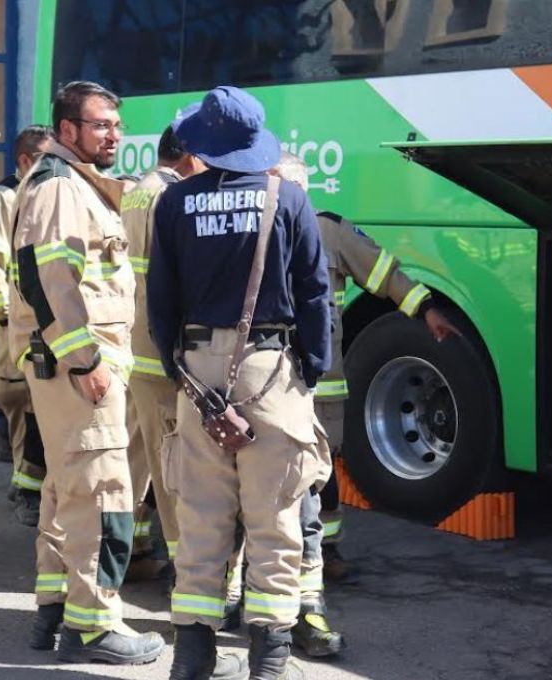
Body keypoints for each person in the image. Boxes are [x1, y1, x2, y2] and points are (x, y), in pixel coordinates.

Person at [149, 86, 332, 680]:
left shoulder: (173, 205)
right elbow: (313, 292)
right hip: (270, 370)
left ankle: (192, 660)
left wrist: (181, 369)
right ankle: (271, 663)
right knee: (275, 520)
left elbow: (160, 303)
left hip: (199, 370)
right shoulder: (289, 199)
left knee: (201, 520)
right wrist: (314, 369)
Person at [271, 151, 458, 657]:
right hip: (268, 379)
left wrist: (425, 310)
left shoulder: (329, 232)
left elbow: (383, 273)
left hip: (320, 382)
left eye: (288, 186)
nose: (281, 193)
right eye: (274, 183)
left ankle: (324, 553)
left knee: (322, 467)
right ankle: (281, 570)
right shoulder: (254, 228)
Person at [8, 80, 165, 665]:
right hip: (80, 369)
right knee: (103, 494)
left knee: (65, 489)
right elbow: (46, 281)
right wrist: (86, 361)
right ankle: (94, 626)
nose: (114, 135)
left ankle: (54, 610)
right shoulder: (57, 187)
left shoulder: (76, 184)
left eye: (116, 126)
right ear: (67, 130)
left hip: (78, 368)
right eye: (101, 125)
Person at [120, 114, 208, 584]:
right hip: (161, 347)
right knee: (172, 460)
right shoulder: (171, 196)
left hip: (134, 343)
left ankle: (127, 546)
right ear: (190, 155)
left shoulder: (135, 190)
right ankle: (183, 565)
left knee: (137, 452)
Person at [0, 124, 51, 527]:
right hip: (16, 322)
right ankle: (27, 489)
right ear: (24, 160)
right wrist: (5, 316)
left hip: (37, 318)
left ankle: (27, 482)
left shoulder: (42, 193)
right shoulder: (1, 198)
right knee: (20, 399)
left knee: (33, 403)